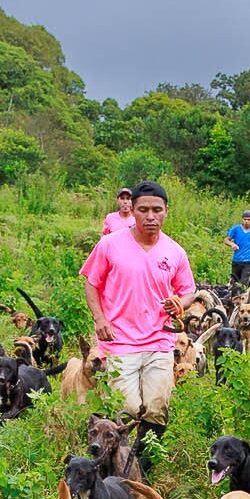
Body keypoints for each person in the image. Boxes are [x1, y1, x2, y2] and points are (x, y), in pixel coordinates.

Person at [83, 180, 192, 435]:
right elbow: (91, 284)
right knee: (127, 409)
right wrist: (100, 319)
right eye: (143, 210)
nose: (151, 216)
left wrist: (179, 304)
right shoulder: (110, 245)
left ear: (166, 210)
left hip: (160, 339)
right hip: (120, 340)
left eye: (157, 210)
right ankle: (120, 465)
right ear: (131, 210)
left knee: (157, 408)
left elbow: (187, 291)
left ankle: (143, 467)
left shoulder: (175, 251)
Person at [224, 205, 250, 289]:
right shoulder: (236, 229)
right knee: (234, 283)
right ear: (242, 219)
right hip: (236, 260)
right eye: (245, 219)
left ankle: (244, 299)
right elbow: (226, 240)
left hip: (248, 261)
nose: (246, 221)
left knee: (243, 283)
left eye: (248, 219)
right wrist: (232, 244)